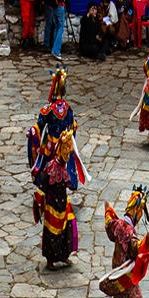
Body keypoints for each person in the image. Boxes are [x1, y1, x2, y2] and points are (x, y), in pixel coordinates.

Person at [28, 67, 90, 271]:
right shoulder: (64, 109)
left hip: (57, 152)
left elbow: (41, 125)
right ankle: (52, 257)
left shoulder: (50, 109)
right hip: (53, 194)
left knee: (67, 222)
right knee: (54, 225)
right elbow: (71, 125)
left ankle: (63, 254)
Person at [99, 185, 149, 298]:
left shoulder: (118, 223)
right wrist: (146, 243)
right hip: (126, 273)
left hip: (118, 268)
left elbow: (109, 224)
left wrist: (108, 211)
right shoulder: (129, 231)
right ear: (137, 211)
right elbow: (135, 249)